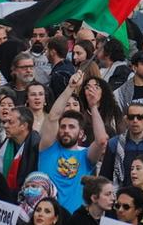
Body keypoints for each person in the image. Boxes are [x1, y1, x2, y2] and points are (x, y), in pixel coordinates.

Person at [38, 71, 109, 212]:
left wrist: (93, 107)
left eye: (71, 127)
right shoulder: (47, 147)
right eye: (63, 126)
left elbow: (101, 140)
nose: (66, 130)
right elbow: (53, 117)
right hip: (47, 217)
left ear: (81, 133)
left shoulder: (86, 156)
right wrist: (70, 87)